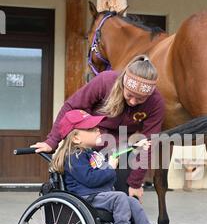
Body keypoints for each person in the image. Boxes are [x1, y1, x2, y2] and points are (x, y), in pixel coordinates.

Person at [32, 55, 165, 202]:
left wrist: (135, 183)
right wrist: (52, 141)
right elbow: (71, 107)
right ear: (123, 84)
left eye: (140, 99)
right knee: (83, 182)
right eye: (129, 95)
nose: (133, 102)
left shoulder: (156, 103)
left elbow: (149, 142)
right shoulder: (105, 81)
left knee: (123, 192)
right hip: (92, 139)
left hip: (123, 146)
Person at [50, 109, 175, 224]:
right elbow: (90, 179)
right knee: (120, 197)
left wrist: (136, 146)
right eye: (91, 129)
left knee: (132, 203)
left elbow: (115, 153)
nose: (98, 131)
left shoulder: (90, 153)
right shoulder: (74, 157)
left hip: (99, 197)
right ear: (75, 138)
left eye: (97, 128)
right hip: (86, 199)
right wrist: (109, 168)